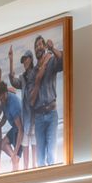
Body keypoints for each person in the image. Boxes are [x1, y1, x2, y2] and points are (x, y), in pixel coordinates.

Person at [26, 33, 64, 167]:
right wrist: (38, 79)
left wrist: (53, 48)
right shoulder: (32, 73)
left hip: (52, 114)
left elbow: (65, 60)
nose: (38, 48)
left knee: (52, 156)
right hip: (39, 117)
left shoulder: (51, 61)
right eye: (36, 46)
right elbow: (31, 100)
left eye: (40, 45)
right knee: (40, 159)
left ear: (44, 46)